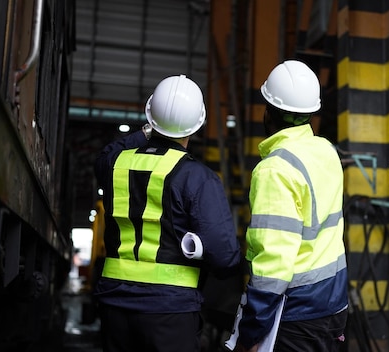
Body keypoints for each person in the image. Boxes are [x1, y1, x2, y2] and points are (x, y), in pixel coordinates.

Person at [94, 74, 242, 352]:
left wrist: (145, 132)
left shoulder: (114, 164)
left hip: (114, 303)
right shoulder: (197, 177)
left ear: (151, 116)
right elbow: (225, 258)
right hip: (171, 311)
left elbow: (106, 152)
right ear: (197, 124)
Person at [237, 60, 349, 352]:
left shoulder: (274, 169)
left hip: (297, 315)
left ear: (268, 111)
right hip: (334, 306)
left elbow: (273, 263)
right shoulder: (327, 151)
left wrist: (250, 331)